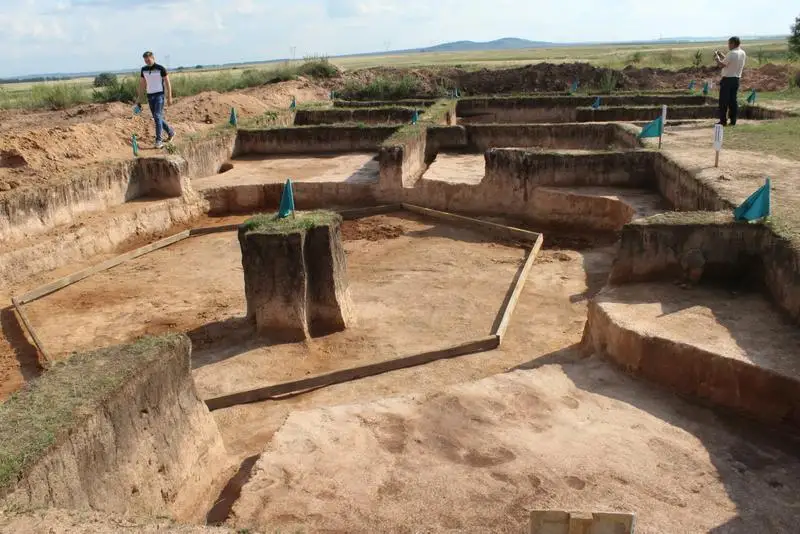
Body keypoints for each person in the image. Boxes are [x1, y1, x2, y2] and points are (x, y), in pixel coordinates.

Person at [137, 51, 175, 148]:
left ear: (153, 58)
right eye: (145, 60)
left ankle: (159, 141)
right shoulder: (143, 69)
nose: (147, 62)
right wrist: (139, 98)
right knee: (157, 117)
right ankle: (170, 132)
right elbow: (142, 84)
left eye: (148, 60)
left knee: (157, 116)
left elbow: (167, 83)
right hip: (150, 96)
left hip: (159, 95)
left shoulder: (160, 68)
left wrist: (169, 97)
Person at [714, 37, 746, 127]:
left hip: (727, 79)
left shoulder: (731, 53)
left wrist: (717, 58)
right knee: (733, 101)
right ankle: (733, 121)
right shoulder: (742, 53)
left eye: (729, 44)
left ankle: (723, 121)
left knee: (723, 101)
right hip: (736, 79)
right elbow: (729, 62)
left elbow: (722, 64)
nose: (728, 45)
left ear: (733, 43)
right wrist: (722, 55)